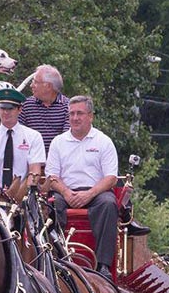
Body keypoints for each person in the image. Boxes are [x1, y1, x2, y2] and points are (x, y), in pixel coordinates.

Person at [43, 95, 120, 279]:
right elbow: (52, 176)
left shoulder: (103, 141)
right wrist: (67, 192)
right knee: (49, 205)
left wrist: (89, 194)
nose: (75, 118)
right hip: (64, 191)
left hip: (96, 192)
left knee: (109, 204)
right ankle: (55, 259)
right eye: (71, 114)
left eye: (80, 113)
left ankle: (103, 265)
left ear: (90, 116)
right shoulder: (58, 142)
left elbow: (111, 178)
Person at [0, 88, 46, 189]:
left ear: (20, 109)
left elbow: (35, 171)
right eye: (2, 108)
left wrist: (22, 193)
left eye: (10, 108)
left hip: (23, 192)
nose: (6, 112)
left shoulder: (33, 137)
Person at [18, 64, 70, 154]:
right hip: (30, 162)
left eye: (35, 82)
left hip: (58, 162)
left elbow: (67, 139)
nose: (31, 85)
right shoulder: (26, 105)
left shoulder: (68, 107)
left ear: (48, 86)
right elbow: (18, 133)